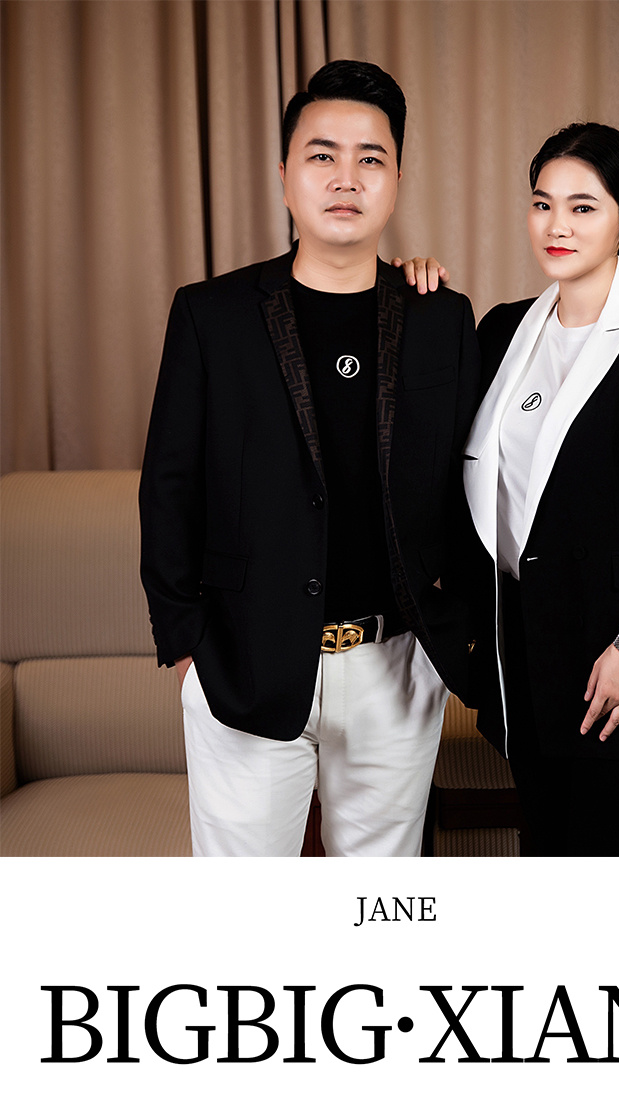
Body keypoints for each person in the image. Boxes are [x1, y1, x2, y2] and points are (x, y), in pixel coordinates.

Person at [139, 60, 481, 858]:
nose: (346, 177)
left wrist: (452, 636)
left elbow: (471, 484)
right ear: (285, 173)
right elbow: (169, 484)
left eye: (371, 158)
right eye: (322, 154)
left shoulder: (440, 319)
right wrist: (188, 645)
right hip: (245, 658)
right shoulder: (211, 315)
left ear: (396, 181)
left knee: (377, 903)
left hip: (396, 665)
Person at [404, 122, 619, 856]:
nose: (557, 225)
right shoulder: (501, 330)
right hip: (518, 650)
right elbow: (431, 437)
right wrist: (408, 288)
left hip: (613, 650)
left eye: (584, 207)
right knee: (545, 861)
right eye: (543, 203)